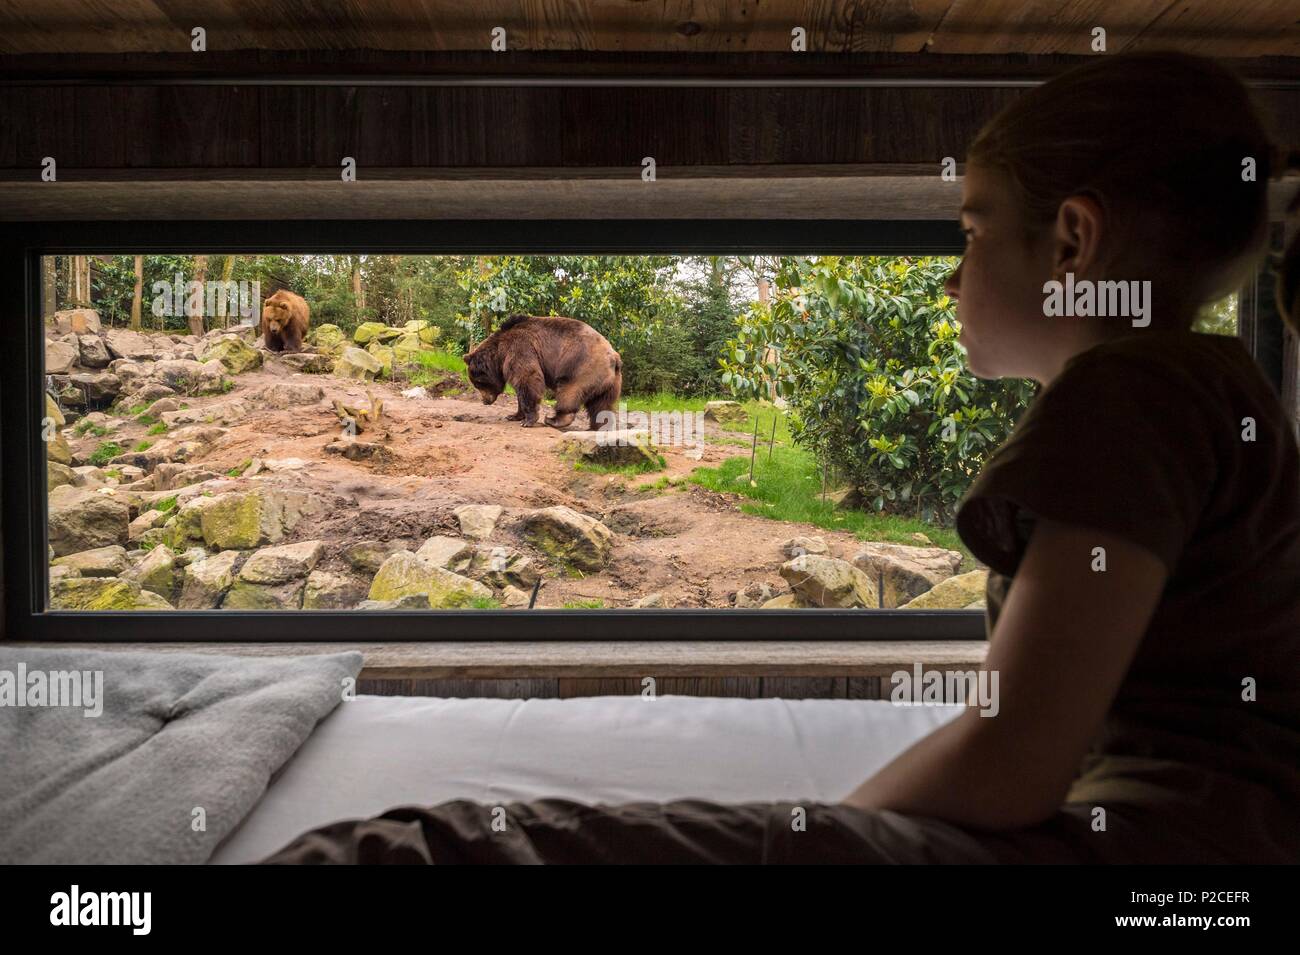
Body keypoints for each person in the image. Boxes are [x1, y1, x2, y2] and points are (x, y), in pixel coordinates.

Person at [264, 51, 1300, 864]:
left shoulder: (1125, 394)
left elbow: (1013, 753)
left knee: (430, 854)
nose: (950, 280)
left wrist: (825, 833)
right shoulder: (1211, 389)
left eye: (971, 233)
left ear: (1071, 244)